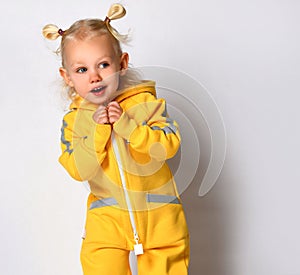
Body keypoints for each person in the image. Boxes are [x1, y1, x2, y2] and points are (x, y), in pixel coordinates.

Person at [42, 3, 189, 274]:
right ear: (68, 78)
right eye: (82, 70)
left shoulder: (147, 103)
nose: (95, 76)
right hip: (106, 220)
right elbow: (79, 169)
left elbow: (167, 146)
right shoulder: (73, 121)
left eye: (103, 64)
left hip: (159, 218)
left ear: (121, 64)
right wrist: (99, 132)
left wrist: (128, 127)